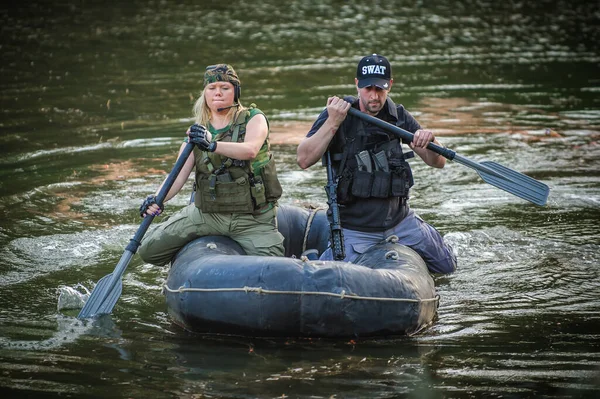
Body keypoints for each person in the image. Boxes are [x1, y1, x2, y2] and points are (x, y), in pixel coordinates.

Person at [297, 54, 456, 274]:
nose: (374, 96)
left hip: (401, 223)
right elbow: (303, 159)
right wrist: (333, 122)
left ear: (389, 85)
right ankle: (315, 257)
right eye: (368, 89)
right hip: (355, 229)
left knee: (447, 267)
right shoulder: (337, 114)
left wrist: (430, 140)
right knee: (327, 278)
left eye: (380, 89)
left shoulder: (398, 116)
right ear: (357, 84)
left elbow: (437, 163)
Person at [139, 64, 285, 266]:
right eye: (212, 88)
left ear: (235, 92)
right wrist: (157, 198)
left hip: (253, 220)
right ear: (205, 94)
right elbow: (178, 174)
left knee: (275, 273)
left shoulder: (254, 118)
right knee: (148, 251)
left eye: (225, 87)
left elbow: (250, 149)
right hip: (208, 215)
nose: (218, 92)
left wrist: (212, 144)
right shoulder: (197, 132)